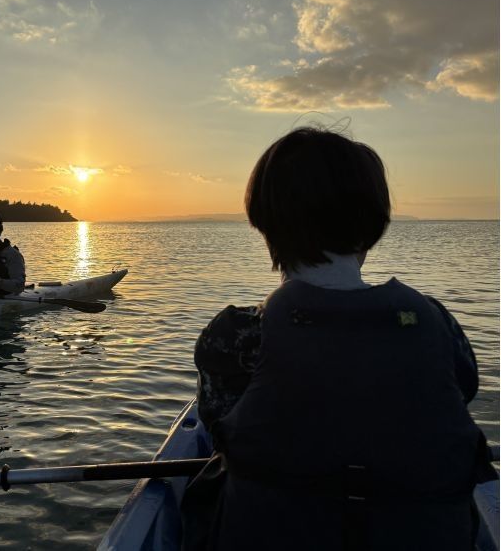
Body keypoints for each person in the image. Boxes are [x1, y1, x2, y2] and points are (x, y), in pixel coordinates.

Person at [188, 127, 495, 550]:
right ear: (374, 223)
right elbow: (458, 394)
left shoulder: (234, 339)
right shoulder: (436, 325)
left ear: (263, 221)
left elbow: (217, 427)